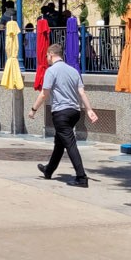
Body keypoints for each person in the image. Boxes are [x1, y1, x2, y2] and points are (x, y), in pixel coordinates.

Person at [28, 43, 98, 187]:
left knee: (70, 144)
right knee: (59, 143)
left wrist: (34, 109)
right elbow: (82, 93)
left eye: (47, 56)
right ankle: (49, 170)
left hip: (61, 113)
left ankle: (81, 177)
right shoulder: (73, 71)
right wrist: (89, 110)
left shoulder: (51, 71)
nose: (47, 58)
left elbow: (44, 93)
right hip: (75, 112)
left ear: (52, 54)